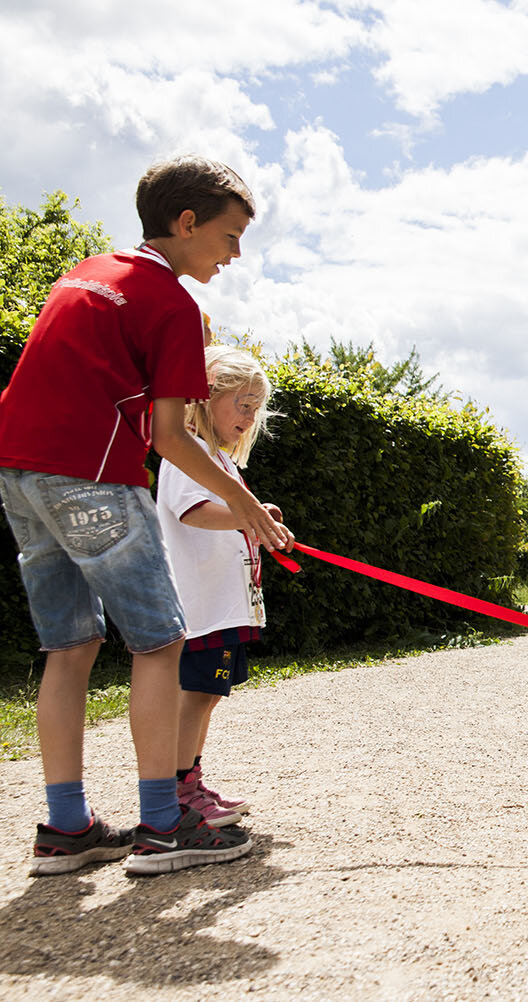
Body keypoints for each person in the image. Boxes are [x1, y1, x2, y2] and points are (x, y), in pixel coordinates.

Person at [0, 155, 291, 876]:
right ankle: (164, 824)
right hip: (93, 475)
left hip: (18, 472)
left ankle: (66, 827)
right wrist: (249, 507)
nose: (235, 254)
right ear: (185, 222)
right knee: (160, 645)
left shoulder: (85, 274)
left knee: (69, 648)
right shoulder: (171, 304)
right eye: (228, 236)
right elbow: (169, 436)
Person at [158, 345, 292, 827]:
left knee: (207, 695)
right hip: (201, 606)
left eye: (255, 408)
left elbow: (232, 516)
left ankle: (189, 781)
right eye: (242, 403)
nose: (250, 416)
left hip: (224, 605)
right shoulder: (188, 452)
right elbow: (192, 511)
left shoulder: (219, 461)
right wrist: (247, 518)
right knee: (194, 695)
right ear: (206, 397)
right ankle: (174, 790)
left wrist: (258, 520)